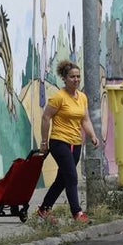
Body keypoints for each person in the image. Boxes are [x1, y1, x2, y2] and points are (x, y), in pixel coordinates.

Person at [37, 60, 100, 222]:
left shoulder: (82, 97)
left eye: (78, 76)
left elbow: (85, 119)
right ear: (64, 79)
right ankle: (77, 213)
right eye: (72, 77)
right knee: (71, 177)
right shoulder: (58, 97)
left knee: (62, 179)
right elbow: (46, 117)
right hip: (59, 142)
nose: (76, 79)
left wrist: (92, 136)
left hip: (76, 143)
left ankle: (44, 209)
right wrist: (44, 142)